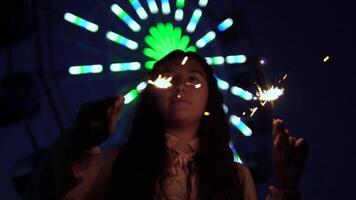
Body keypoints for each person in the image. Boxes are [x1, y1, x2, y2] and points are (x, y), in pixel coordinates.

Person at [25, 50, 308, 200]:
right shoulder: (111, 164)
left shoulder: (237, 177)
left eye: (193, 79)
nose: (180, 85)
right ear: (152, 96)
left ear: (210, 98)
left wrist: (285, 183)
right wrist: (80, 143)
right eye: (168, 78)